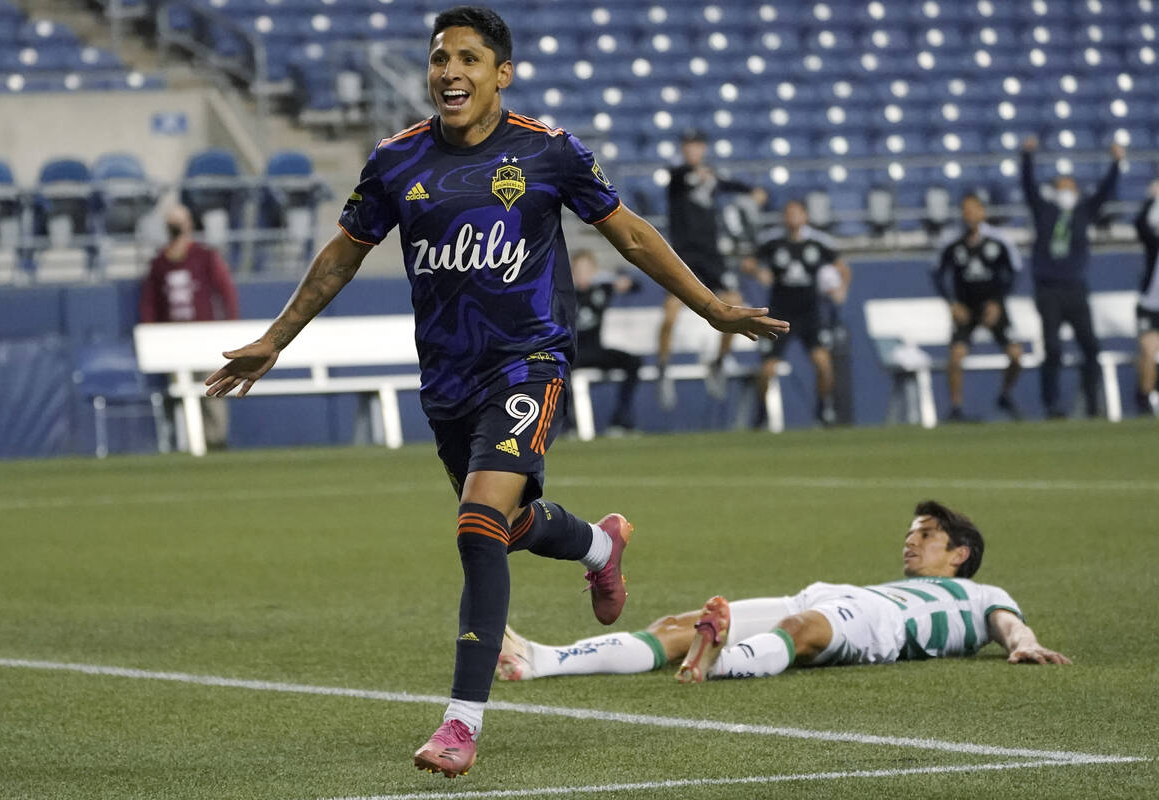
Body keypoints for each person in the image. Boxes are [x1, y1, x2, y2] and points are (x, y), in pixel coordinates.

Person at [203, 6, 788, 779]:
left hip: (528, 362)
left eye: (469, 59)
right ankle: (600, 544)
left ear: (500, 74)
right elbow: (342, 255)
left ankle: (460, 723)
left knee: (478, 525)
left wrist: (711, 306)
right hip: (447, 380)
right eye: (440, 58)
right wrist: (275, 339)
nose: (450, 71)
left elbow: (632, 233)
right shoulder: (395, 162)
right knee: (502, 524)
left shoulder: (549, 153)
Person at [496, 500, 1070, 687]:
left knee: (801, 634)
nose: (910, 542)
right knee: (677, 621)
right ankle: (542, 660)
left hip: (882, 626)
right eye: (909, 533)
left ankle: (718, 662)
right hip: (836, 594)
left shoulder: (979, 594)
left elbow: (1006, 625)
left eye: (926, 535)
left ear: (960, 555)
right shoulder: (897, 581)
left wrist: (1025, 642)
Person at [657, 128, 768, 409]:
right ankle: (663, 368)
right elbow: (691, 177)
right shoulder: (678, 176)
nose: (693, 150)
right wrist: (709, 177)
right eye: (689, 145)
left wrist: (752, 193)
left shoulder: (712, 177)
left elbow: (732, 186)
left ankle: (719, 362)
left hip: (711, 257)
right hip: (683, 257)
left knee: (735, 306)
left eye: (697, 145)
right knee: (671, 313)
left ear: (703, 148)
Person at [1021, 137, 1123, 418]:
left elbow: (1105, 192)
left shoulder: (1083, 212)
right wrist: (1026, 157)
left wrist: (1116, 163)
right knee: (1052, 348)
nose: (1067, 191)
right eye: (1061, 187)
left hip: (1075, 288)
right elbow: (1028, 186)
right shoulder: (1045, 211)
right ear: (1054, 191)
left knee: (1090, 346)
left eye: (1070, 187)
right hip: (1049, 289)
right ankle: (1051, 405)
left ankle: (1092, 403)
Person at [139, 203, 239, 450]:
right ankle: (188, 442)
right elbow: (150, 301)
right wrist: (150, 331)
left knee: (212, 387)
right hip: (172, 337)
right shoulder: (160, 262)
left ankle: (216, 440)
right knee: (181, 391)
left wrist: (231, 324)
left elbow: (225, 290)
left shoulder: (204, 255)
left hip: (203, 334)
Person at [750, 199, 851, 427]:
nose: (792, 217)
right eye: (788, 213)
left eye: (797, 213)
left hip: (809, 313)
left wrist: (841, 290)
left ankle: (824, 408)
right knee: (767, 368)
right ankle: (761, 413)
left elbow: (842, 268)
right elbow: (748, 263)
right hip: (779, 313)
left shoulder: (818, 242)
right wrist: (759, 271)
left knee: (823, 363)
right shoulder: (772, 241)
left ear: (805, 216)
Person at [931, 193, 1024, 421]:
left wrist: (998, 302)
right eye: (965, 210)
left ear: (983, 212)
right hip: (966, 308)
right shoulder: (952, 243)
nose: (969, 214)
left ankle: (1005, 394)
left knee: (1015, 354)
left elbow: (1013, 273)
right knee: (956, 355)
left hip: (992, 306)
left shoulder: (998, 241)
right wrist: (952, 303)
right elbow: (937, 274)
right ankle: (955, 408)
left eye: (974, 209)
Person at [571, 249, 642, 434]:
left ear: (593, 271)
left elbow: (637, 286)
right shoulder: (565, 294)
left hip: (596, 349)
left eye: (586, 270)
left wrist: (624, 282)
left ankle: (621, 421)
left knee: (634, 362)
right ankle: (567, 425)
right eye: (578, 270)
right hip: (573, 353)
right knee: (559, 369)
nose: (582, 275)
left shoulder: (601, 289)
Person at [1132, 181, 1159, 416]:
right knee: (1149, 352)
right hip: (1150, 306)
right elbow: (1140, 224)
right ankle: (1144, 398)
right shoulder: (1154, 245)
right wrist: (1152, 198)